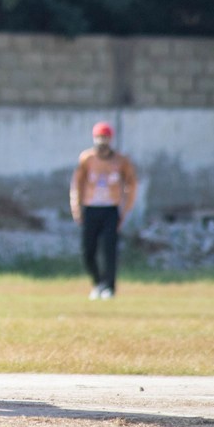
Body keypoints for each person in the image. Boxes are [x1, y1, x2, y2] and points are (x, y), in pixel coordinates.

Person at [69, 121, 138, 300]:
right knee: (88, 251)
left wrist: (125, 209)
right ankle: (98, 282)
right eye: (99, 137)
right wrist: (76, 208)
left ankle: (109, 287)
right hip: (91, 208)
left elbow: (131, 184)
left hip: (110, 209)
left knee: (109, 250)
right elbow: (77, 184)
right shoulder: (87, 159)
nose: (102, 141)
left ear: (110, 139)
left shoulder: (121, 161)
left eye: (105, 137)